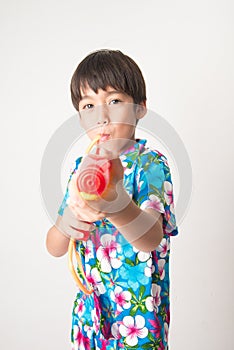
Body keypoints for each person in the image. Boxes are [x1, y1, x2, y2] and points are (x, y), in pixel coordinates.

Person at [46, 49, 179, 350]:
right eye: (89, 105)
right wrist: (67, 224)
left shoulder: (150, 165)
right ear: (80, 117)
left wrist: (116, 205)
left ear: (140, 108)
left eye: (114, 101)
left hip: (138, 319)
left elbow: (150, 237)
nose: (102, 116)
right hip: (91, 317)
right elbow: (54, 246)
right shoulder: (82, 171)